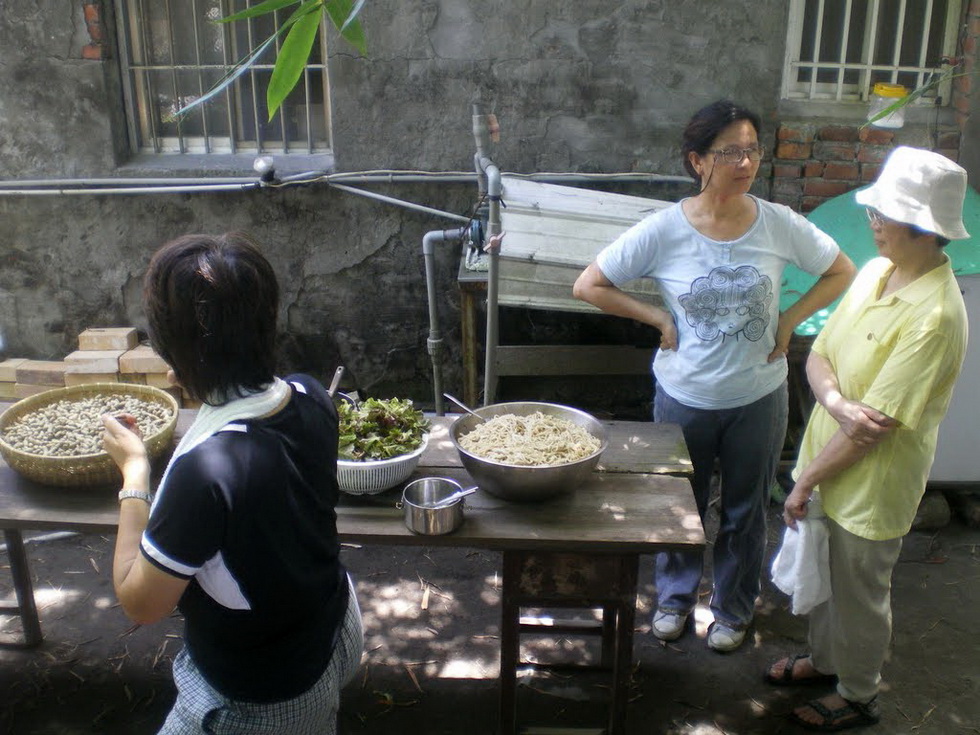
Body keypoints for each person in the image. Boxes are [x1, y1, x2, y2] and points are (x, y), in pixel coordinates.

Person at [573, 100, 855, 652]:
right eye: (731, 152)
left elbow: (840, 269)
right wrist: (656, 317)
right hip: (684, 396)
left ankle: (731, 609)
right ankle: (674, 600)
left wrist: (789, 321)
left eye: (752, 149)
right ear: (698, 161)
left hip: (758, 396)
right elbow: (589, 285)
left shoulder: (777, 224)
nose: (746, 162)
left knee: (746, 511)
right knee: (681, 504)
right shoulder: (663, 230)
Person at [101, 233, 363, 734]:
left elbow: (141, 603)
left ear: (169, 348)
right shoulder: (311, 397)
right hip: (335, 628)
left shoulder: (206, 473)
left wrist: (135, 473)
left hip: (268, 693)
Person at [766, 147, 970, 730]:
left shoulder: (935, 315)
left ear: (924, 229)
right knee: (827, 576)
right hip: (829, 457)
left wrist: (803, 481)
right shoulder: (879, 271)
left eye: (883, 213)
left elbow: (871, 432)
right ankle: (826, 660)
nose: (872, 222)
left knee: (859, 591)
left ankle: (858, 692)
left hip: (872, 482)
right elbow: (820, 353)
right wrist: (834, 402)